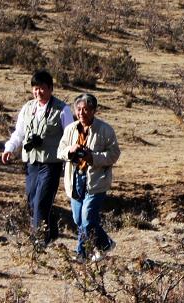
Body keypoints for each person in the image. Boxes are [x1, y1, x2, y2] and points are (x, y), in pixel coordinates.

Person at [1, 70, 73, 246]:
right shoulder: (27, 108)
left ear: (50, 88)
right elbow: (19, 133)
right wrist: (10, 148)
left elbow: (70, 135)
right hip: (31, 162)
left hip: (51, 163)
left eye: (41, 88)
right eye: (35, 88)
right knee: (32, 200)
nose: (38, 92)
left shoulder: (62, 110)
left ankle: (38, 240)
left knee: (42, 200)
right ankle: (51, 230)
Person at [58, 93, 121, 262]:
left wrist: (92, 157)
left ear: (94, 110)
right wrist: (69, 151)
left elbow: (114, 154)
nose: (82, 113)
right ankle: (99, 247)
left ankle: (87, 251)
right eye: (78, 109)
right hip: (74, 179)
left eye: (86, 109)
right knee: (79, 219)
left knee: (87, 218)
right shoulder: (70, 129)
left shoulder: (105, 130)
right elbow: (60, 152)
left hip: (96, 180)